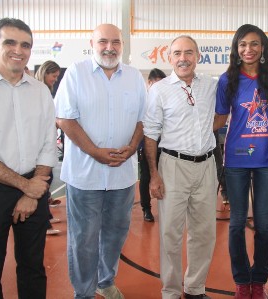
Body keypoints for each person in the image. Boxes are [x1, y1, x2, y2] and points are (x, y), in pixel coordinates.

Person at [54, 23, 146, 299]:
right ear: (91, 44)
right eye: (103, 42)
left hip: (122, 175)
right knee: (84, 238)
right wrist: (95, 151)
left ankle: (105, 282)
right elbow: (64, 118)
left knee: (115, 234)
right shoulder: (76, 73)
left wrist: (132, 147)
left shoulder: (134, 77)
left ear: (122, 45)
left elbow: (143, 119)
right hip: (85, 175)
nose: (110, 47)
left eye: (115, 42)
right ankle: (83, 292)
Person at [0, 17, 57, 298]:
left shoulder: (40, 91)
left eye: (26, 44)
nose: (19, 50)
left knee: (33, 266)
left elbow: (49, 143)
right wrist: (25, 187)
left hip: (34, 186)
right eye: (9, 42)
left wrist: (33, 188)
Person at [214, 24, 268, 299]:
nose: (248, 49)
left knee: (264, 225)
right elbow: (219, 119)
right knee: (236, 223)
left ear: (263, 47)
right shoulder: (226, 80)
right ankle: (242, 281)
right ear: (236, 49)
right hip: (236, 160)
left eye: (254, 44)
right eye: (243, 44)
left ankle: (259, 280)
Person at [144, 35, 217, 299]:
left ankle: (195, 288)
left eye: (188, 52)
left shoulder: (211, 85)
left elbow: (220, 115)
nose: (183, 58)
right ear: (169, 57)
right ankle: (171, 292)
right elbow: (151, 133)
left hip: (207, 165)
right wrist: (154, 175)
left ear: (198, 56)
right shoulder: (159, 90)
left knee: (205, 233)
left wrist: (209, 133)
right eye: (177, 53)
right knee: (170, 234)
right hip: (173, 165)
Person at [35, 60, 62, 235]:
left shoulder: (44, 90)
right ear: (45, 73)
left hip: (46, 144)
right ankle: (43, 223)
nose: (55, 79)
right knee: (43, 182)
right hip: (40, 146)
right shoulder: (39, 90)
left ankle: (46, 216)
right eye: (54, 75)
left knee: (47, 181)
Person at [139, 68, 167, 222]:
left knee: (166, 178)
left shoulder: (166, 98)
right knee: (146, 177)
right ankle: (146, 209)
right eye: (156, 83)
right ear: (149, 83)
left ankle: (166, 207)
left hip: (165, 146)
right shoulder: (142, 101)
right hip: (147, 146)